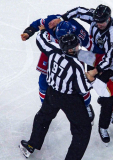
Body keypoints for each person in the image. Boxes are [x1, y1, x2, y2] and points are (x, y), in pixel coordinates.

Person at [49, 4, 113, 142]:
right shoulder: (95, 17)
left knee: (107, 93)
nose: (98, 24)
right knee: (82, 81)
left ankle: (108, 120)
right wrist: (61, 18)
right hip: (92, 56)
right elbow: (78, 11)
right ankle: (87, 104)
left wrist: (96, 71)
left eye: (101, 22)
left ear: (109, 19)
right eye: (96, 21)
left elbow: (111, 56)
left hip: (106, 63)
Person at [19, 25, 94, 159]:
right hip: (70, 99)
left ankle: (31, 145)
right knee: (83, 130)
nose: (78, 48)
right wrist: (91, 78)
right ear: (70, 49)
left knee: (42, 117)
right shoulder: (75, 65)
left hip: (52, 93)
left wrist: (41, 31)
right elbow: (83, 89)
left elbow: (40, 41)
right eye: (76, 47)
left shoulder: (53, 50)